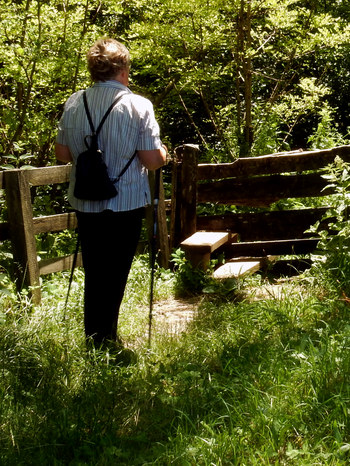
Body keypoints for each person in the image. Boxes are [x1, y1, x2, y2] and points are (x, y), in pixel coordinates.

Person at [55, 38, 167, 351]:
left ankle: (95, 337)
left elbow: (62, 153)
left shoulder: (75, 102)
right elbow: (151, 160)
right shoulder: (138, 105)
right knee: (116, 270)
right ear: (122, 69)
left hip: (86, 199)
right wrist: (165, 154)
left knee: (94, 268)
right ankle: (106, 339)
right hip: (125, 200)